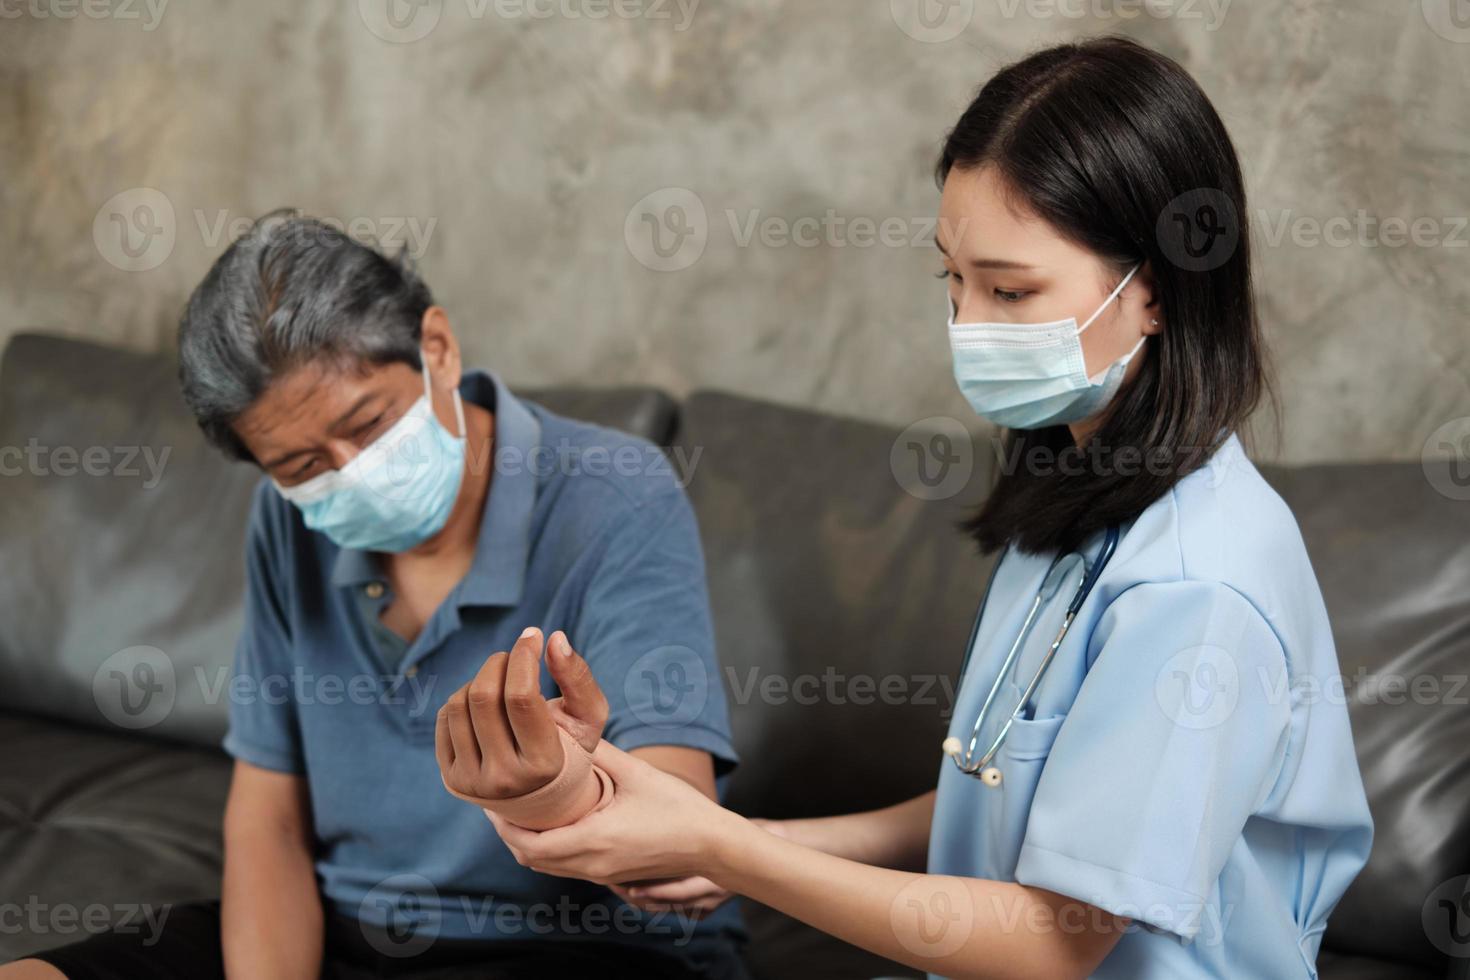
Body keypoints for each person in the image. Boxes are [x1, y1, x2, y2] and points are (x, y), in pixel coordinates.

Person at [448, 38, 1374, 979]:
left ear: (1161, 294)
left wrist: (726, 851)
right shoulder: (1086, 505)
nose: (968, 327)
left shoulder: (1198, 585)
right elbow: (1014, 793)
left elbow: (1055, 943)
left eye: (1011, 290)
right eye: (953, 280)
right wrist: (744, 839)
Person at [2, 213, 744, 980]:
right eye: (299, 465)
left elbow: (680, 840)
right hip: (344, 930)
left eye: (369, 422)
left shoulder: (615, 493)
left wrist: (556, 787)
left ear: (438, 349)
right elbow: (270, 819)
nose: (349, 472)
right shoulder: (288, 522)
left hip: (578, 948)